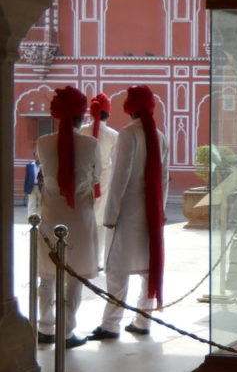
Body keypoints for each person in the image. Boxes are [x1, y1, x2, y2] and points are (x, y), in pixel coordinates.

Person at [89, 85, 169, 340]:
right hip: (150, 214)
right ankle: (143, 321)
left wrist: (109, 216)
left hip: (127, 214)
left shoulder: (128, 134)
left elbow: (120, 178)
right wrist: (161, 212)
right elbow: (164, 180)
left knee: (117, 269)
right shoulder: (160, 136)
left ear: (129, 108)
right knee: (147, 268)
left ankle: (111, 325)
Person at [35, 86, 102, 349]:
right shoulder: (90, 144)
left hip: (51, 216)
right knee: (75, 277)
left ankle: (45, 327)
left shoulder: (42, 143)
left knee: (47, 275)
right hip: (80, 218)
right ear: (81, 114)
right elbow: (96, 178)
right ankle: (67, 331)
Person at [83, 92, 118, 264]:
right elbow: (118, 161)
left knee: (84, 221)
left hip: (84, 179)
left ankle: (85, 259)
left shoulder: (82, 131)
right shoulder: (113, 135)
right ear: (108, 113)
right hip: (105, 180)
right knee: (101, 224)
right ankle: (97, 261)